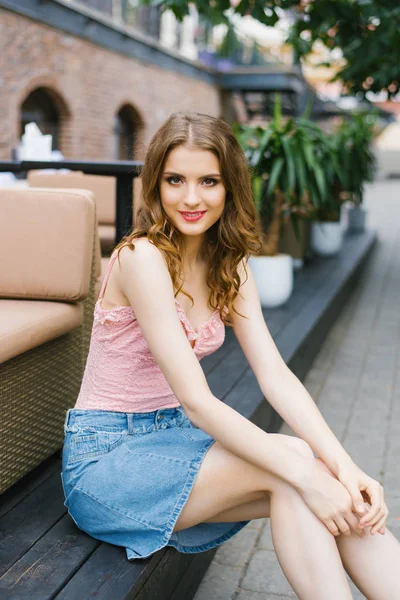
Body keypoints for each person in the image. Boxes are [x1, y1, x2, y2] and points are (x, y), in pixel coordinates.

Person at [61, 111, 400, 599]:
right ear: (155, 183)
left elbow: (275, 375)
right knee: (294, 470)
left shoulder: (231, 265)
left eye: (209, 181)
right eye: (175, 179)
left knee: (305, 471)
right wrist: (312, 474)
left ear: (230, 187)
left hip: (173, 443)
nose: (191, 197)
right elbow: (197, 401)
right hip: (107, 462)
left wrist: (347, 469)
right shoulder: (142, 259)